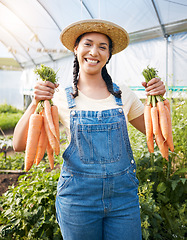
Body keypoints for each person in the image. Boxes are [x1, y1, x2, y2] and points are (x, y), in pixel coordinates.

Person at [13, 19, 166, 240]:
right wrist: (35, 102)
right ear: (76, 49)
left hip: (123, 201)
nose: (94, 51)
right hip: (77, 202)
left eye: (102, 47)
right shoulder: (58, 97)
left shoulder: (123, 94)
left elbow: (158, 135)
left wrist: (158, 98)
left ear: (108, 55)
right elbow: (18, 144)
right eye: (88, 44)